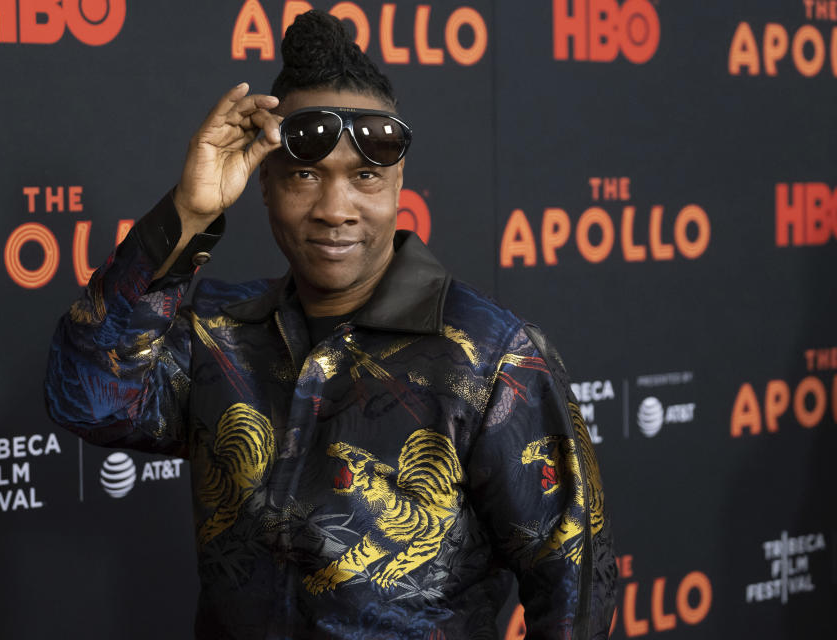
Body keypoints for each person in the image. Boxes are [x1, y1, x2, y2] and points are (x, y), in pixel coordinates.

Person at [45, 10, 616, 639]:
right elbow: (87, 398)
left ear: (399, 183)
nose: (334, 209)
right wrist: (188, 211)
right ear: (263, 183)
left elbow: (576, 594)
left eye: (365, 177)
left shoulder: (490, 355)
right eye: (305, 176)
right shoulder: (220, 334)